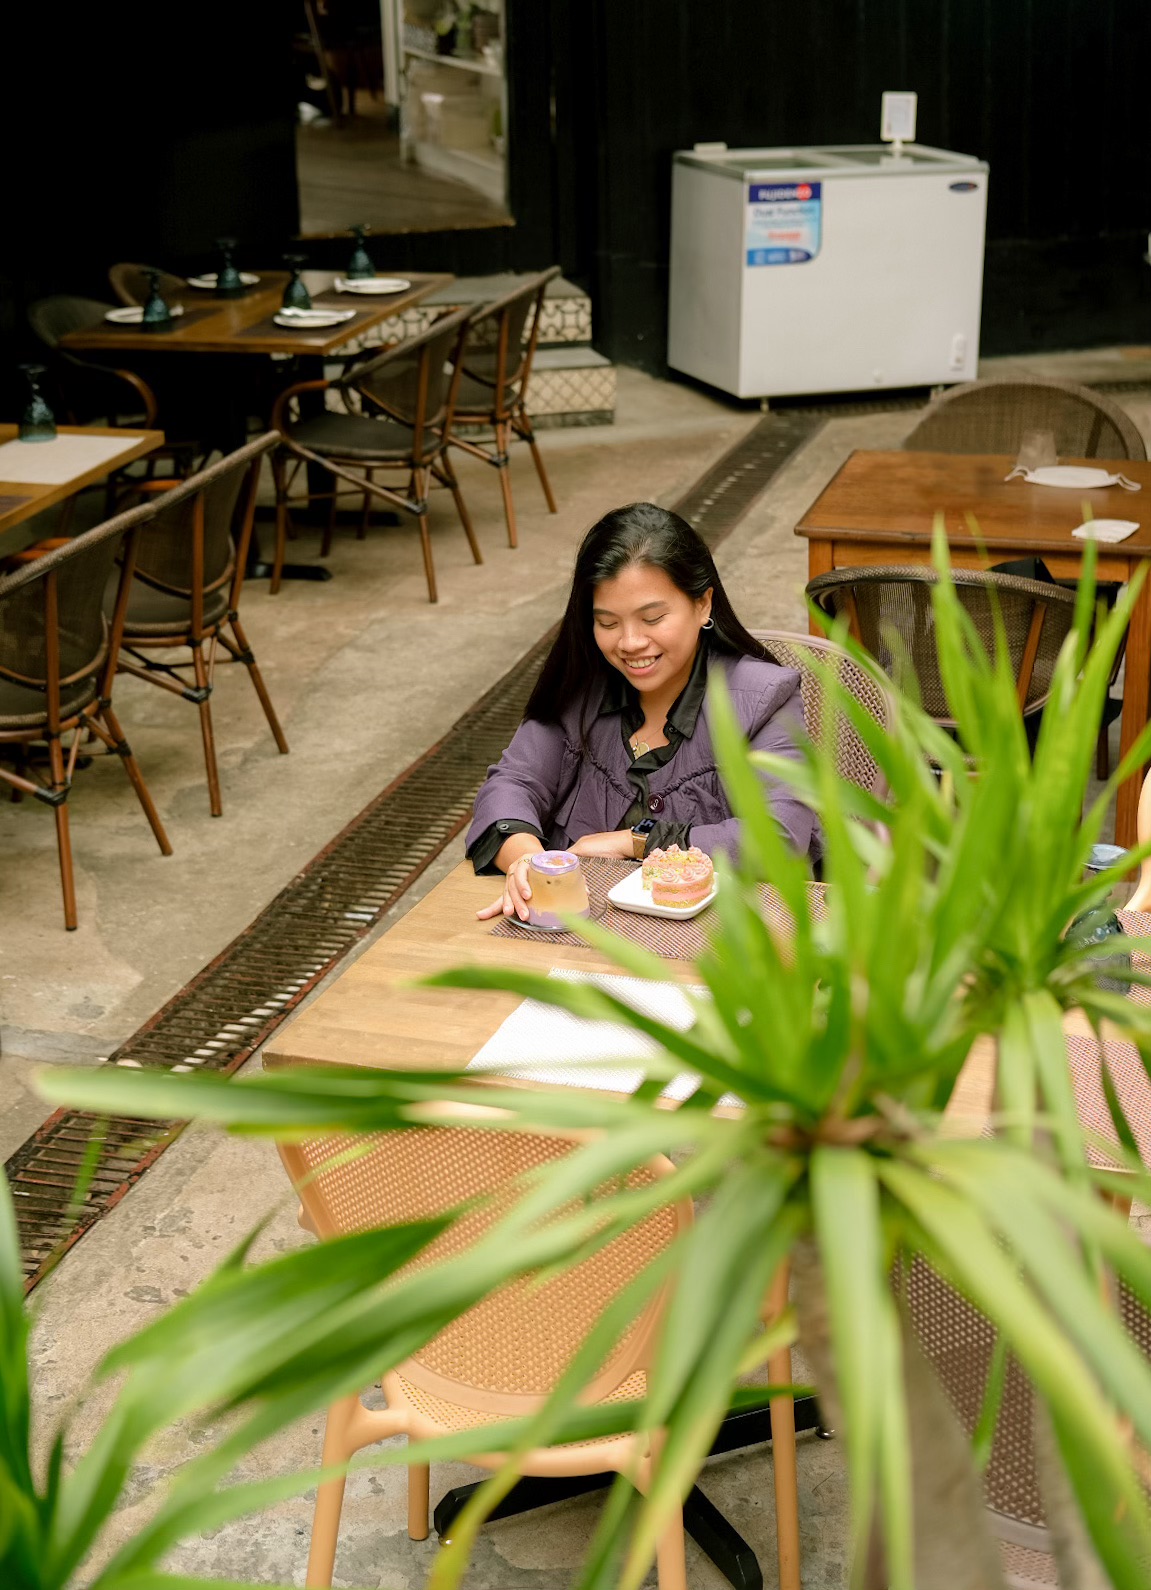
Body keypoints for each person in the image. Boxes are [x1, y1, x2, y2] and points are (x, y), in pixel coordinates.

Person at [467, 502, 822, 921]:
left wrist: (636, 841)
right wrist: (528, 860)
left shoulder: (764, 697)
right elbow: (512, 784)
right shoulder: (579, 687)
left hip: (722, 940)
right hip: (579, 932)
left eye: (652, 618)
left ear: (703, 604)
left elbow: (780, 836)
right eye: (608, 623)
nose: (630, 642)